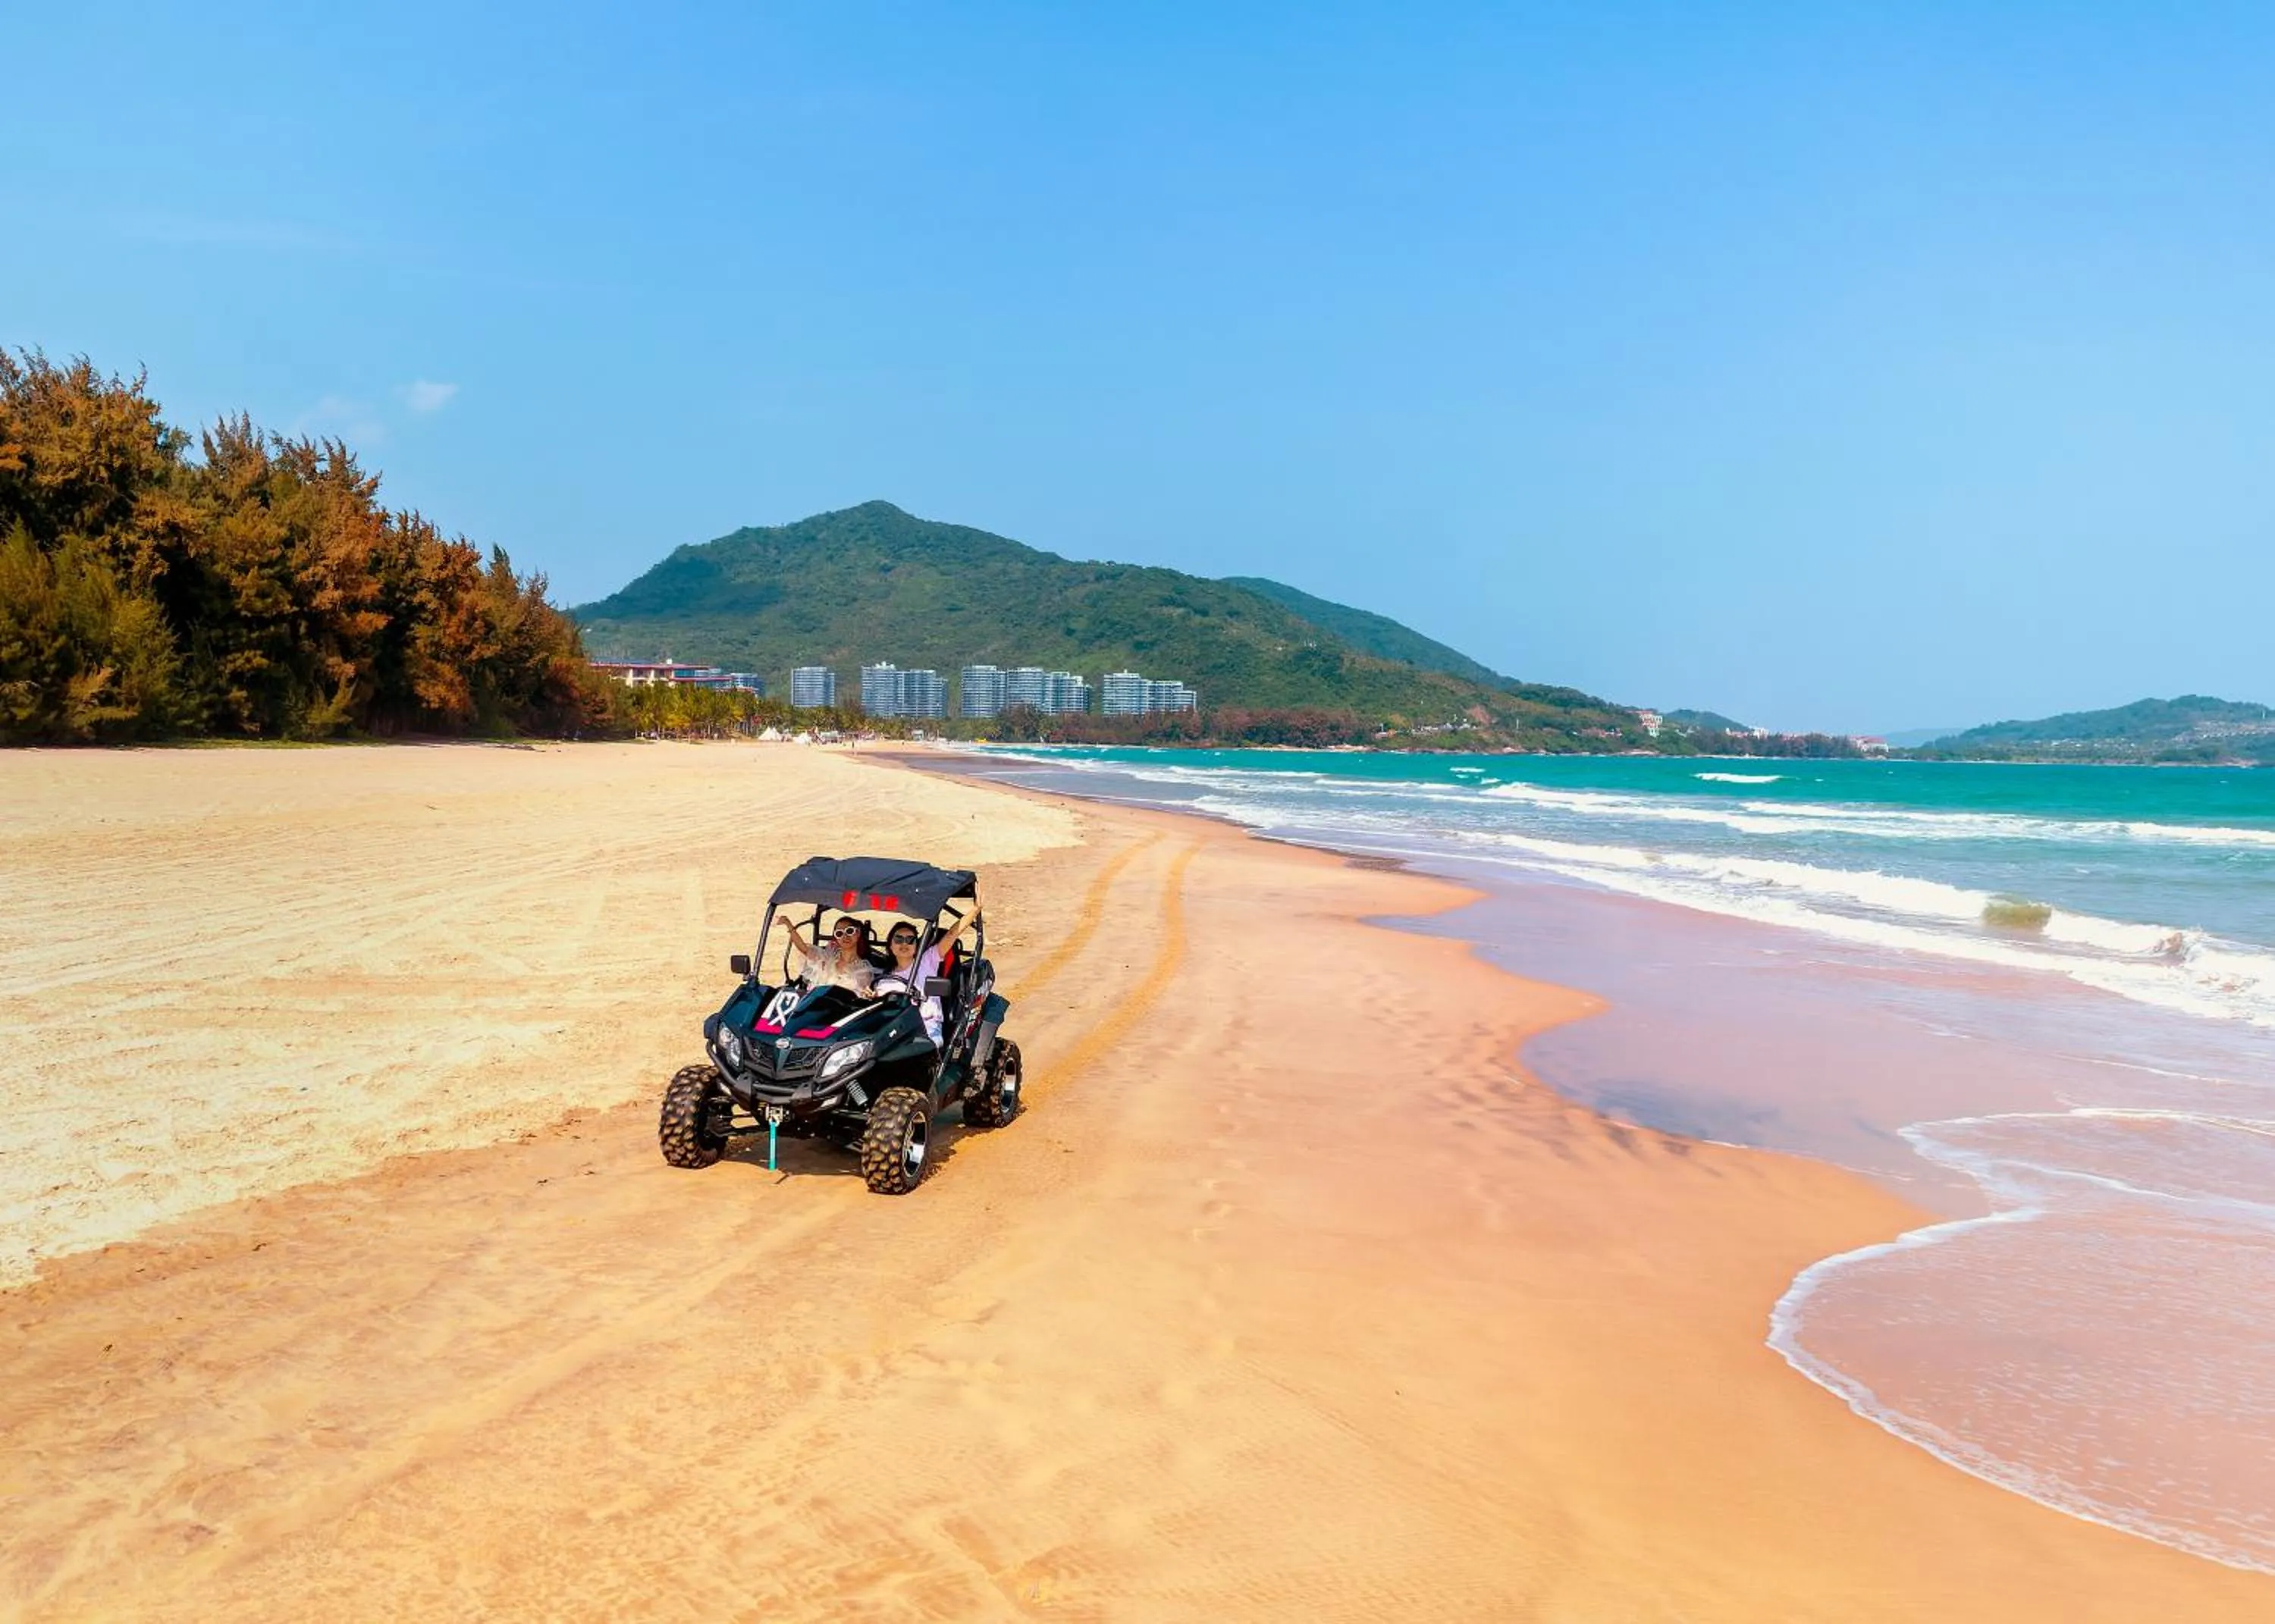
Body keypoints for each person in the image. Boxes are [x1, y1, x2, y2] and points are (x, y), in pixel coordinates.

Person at [877, 910, 977, 1045]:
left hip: (928, 1027)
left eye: (910, 940)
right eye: (898, 939)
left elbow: (951, 935)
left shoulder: (927, 960)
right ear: (890, 945)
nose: (904, 944)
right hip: (897, 1032)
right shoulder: (884, 979)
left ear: (916, 945)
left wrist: (976, 909)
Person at [781, 913, 877, 995]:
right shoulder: (827, 958)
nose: (845, 936)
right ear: (836, 938)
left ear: (858, 933)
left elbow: (863, 996)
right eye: (839, 934)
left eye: (849, 931)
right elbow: (805, 950)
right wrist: (789, 925)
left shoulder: (863, 971)